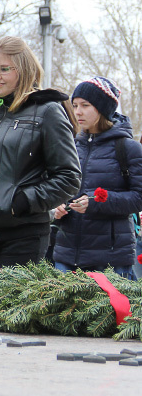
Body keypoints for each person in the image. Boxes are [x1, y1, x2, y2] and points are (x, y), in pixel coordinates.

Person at [0, 36, 81, 267]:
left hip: (24, 235)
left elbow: (69, 177)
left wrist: (23, 201)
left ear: (23, 69)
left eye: (4, 69)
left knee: (10, 303)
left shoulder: (47, 112)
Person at [51, 78, 142, 279]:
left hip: (111, 259)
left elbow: (138, 198)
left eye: (85, 105)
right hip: (66, 255)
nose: (78, 112)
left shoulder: (128, 148)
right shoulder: (72, 146)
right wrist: (57, 206)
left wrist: (97, 201)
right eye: (75, 105)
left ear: (102, 108)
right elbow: (59, 186)